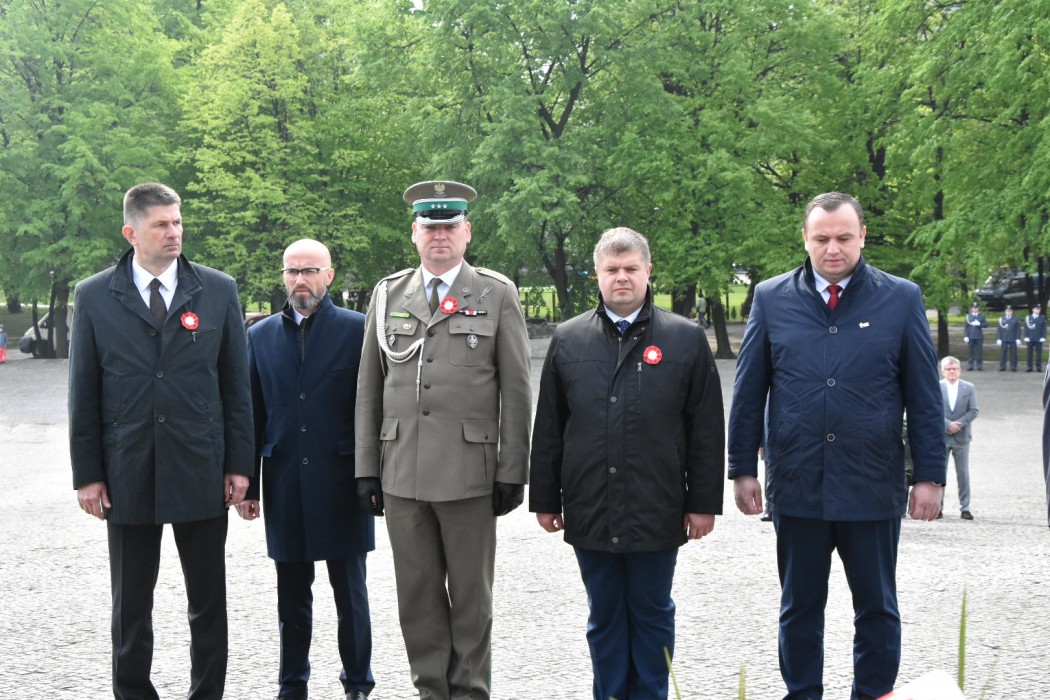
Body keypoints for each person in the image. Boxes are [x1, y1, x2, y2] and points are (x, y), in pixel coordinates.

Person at [727, 192, 945, 700]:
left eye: (844, 237)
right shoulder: (770, 298)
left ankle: (873, 694)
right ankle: (802, 693)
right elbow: (748, 390)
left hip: (872, 483)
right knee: (799, 608)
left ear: (862, 237)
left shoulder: (902, 299)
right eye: (821, 238)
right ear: (805, 238)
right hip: (798, 482)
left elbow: (924, 396)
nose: (833, 249)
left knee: (878, 608)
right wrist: (742, 468)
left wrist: (930, 475)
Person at [68, 182, 254, 699]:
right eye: (161, 225)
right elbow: (83, 391)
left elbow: (236, 388)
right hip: (127, 469)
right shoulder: (94, 295)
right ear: (131, 233)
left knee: (207, 601)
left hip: (201, 466)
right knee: (130, 604)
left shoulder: (217, 289)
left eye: (177, 222)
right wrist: (88, 474)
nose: (174, 233)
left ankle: (207, 694)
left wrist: (240, 465)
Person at [354, 180, 532, 699]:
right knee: (417, 597)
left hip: (469, 475)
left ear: (466, 232)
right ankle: (430, 690)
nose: (439, 235)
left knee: (472, 599)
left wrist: (512, 469)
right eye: (429, 227)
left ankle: (470, 692)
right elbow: (369, 386)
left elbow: (517, 389)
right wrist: (367, 466)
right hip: (401, 474)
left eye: (449, 226)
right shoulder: (388, 294)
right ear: (414, 233)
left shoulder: (496, 293)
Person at [530, 228, 724, 700]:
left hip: (657, 505)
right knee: (604, 617)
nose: (622, 277)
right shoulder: (569, 338)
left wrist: (703, 503)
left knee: (653, 613)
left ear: (647, 271)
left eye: (631, 268)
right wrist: (545, 499)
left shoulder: (684, 338)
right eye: (612, 269)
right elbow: (550, 425)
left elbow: (705, 429)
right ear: (596, 275)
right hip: (590, 504)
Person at [239, 239, 375, 700]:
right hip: (284, 483)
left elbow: (373, 409)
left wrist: (373, 476)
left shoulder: (359, 330)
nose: (301, 279)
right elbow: (252, 415)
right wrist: (249, 486)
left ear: (329, 275)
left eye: (310, 270)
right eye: (293, 271)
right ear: (283, 276)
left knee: (351, 596)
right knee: (291, 597)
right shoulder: (258, 337)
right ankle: (292, 684)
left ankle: (358, 683)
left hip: (344, 484)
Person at [939, 356, 978, 521]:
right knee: (939, 474)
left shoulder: (969, 387)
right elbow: (932, 409)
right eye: (948, 369)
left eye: (955, 369)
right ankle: (938, 507)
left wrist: (959, 424)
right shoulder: (937, 387)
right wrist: (947, 424)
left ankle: (965, 507)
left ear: (960, 370)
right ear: (943, 371)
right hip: (942, 436)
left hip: (962, 437)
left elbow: (974, 410)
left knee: (963, 474)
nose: (952, 372)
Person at [996, 305, 1021, 371]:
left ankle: (1013, 366)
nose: (1008, 312)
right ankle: (1002, 366)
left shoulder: (1015, 319)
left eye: (1010, 311)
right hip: (1004, 338)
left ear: (1012, 312)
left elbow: (1018, 329)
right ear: (1005, 312)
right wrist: (999, 338)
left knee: (1013, 354)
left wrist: (1018, 338)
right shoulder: (1002, 319)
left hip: (1013, 338)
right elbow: (999, 329)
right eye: (1007, 311)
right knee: (1003, 353)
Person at [963, 302, 987, 371]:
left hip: (979, 336)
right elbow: (966, 327)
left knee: (979, 352)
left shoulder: (981, 316)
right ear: (971, 308)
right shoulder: (968, 316)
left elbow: (986, 324)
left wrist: (979, 324)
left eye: (976, 308)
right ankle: (970, 365)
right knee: (971, 352)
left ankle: (979, 365)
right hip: (970, 336)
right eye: (974, 308)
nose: (975, 309)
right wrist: (966, 336)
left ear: (978, 308)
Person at [1024, 304, 1046, 372]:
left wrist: (1043, 337)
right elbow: (1026, 328)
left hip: (1039, 338)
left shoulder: (1042, 318)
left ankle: (1039, 367)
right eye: (1037, 309)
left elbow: (1044, 329)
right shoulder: (1028, 318)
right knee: (1029, 353)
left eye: (1039, 309)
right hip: (1030, 338)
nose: (1038, 310)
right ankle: (1029, 367)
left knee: (1039, 354)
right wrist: (1026, 336)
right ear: (1033, 310)